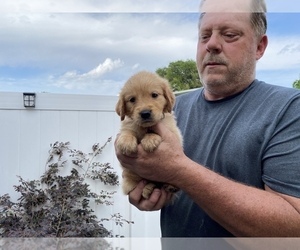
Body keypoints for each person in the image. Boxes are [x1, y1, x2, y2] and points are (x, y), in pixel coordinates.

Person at [115, 0, 300, 238]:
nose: (212, 44)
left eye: (230, 34)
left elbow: (293, 230)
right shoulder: (174, 108)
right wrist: (145, 186)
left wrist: (179, 170)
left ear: (259, 47)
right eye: (204, 36)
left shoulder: (288, 108)